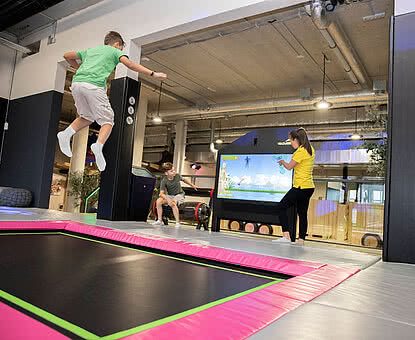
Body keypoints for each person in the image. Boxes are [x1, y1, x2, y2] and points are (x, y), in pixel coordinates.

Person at [58, 31, 167, 171]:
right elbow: (131, 65)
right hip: (93, 86)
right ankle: (98, 145)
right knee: (108, 120)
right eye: (121, 49)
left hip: (77, 84)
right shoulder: (113, 51)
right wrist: (153, 74)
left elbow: (67, 56)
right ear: (117, 44)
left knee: (86, 117)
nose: (120, 51)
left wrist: (79, 68)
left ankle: (65, 134)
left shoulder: (91, 50)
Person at [273, 128, 315, 246]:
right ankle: (301, 240)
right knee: (302, 214)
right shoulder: (311, 149)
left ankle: (286, 236)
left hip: (300, 187)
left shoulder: (300, 152)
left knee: (281, 207)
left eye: (291, 140)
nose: (291, 143)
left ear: (297, 139)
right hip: (309, 187)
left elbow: (289, 166)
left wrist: (282, 162)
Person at [153, 162, 198, 228]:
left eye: (174, 170)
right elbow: (161, 194)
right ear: (166, 173)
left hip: (179, 195)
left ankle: (177, 222)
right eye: (171, 171)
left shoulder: (177, 176)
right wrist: (168, 199)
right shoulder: (164, 180)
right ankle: (160, 220)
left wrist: (192, 185)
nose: (174, 172)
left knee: (173, 203)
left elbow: (184, 180)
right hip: (170, 195)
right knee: (158, 201)